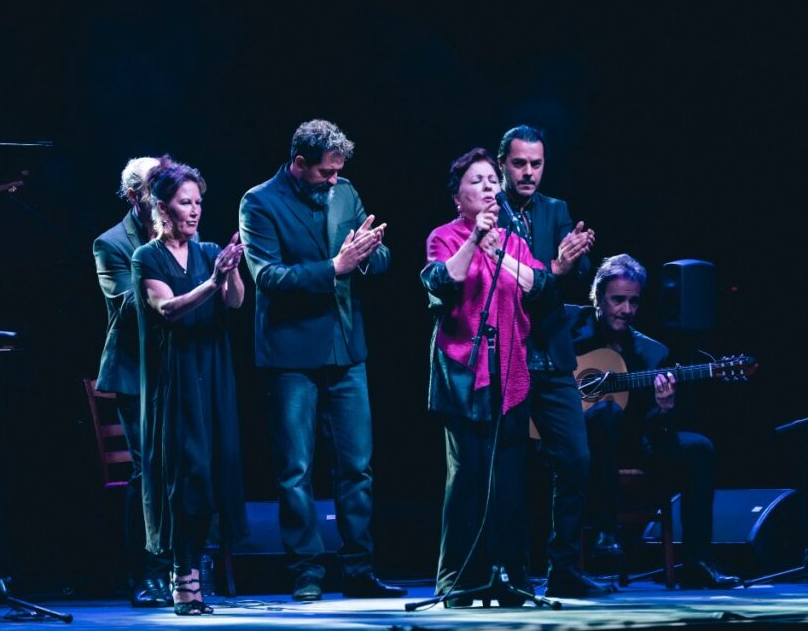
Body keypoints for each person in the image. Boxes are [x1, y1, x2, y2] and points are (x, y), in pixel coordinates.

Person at [239, 119, 405, 601]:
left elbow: (377, 258)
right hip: (291, 355)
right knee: (296, 469)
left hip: (346, 349)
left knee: (357, 467)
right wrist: (335, 266)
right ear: (299, 163)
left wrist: (371, 254)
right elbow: (268, 276)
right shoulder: (259, 202)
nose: (334, 179)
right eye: (326, 172)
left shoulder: (345, 193)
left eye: (338, 171)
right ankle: (306, 571)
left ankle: (359, 570)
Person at [421, 148, 556, 607]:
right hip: (462, 371)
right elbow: (442, 282)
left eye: (491, 181)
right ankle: (458, 581)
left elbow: (541, 288)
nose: (487, 187)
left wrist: (501, 252)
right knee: (468, 478)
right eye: (476, 181)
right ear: (457, 196)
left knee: (509, 481)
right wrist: (476, 240)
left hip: (510, 370)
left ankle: (512, 579)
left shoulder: (514, 240)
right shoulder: (443, 236)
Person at [569, 254, 741, 589]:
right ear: (598, 297)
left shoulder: (652, 353)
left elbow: (653, 426)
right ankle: (605, 530)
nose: (626, 309)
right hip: (581, 445)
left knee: (699, 449)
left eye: (634, 301)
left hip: (633, 441)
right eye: (618, 300)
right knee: (605, 414)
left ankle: (697, 561)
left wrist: (664, 409)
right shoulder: (571, 329)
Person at [495, 125, 611, 597]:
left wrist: (574, 255)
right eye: (520, 163)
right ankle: (513, 571)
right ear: (503, 164)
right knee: (510, 468)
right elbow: (516, 282)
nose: (528, 172)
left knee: (576, 458)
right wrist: (555, 267)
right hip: (510, 356)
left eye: (536, 164)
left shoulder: (555, 209)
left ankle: (562, 566)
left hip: (553, 356)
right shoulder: (489, 212)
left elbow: (575, 272)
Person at [131, 156, 249, 616]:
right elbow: (167, 309)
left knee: (215, 471)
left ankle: (195, 572)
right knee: (188, 478)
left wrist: (230, 272)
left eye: (198, 202)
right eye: (185, 202)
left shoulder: (209, 251)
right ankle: (183, 576)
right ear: (162, 207)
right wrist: (213, 280)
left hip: (213, 372)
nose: (195, 210)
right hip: (176, 379)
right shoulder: (147, 257)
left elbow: (235, 303)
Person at [92, 156, 172, 607]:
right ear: (132, 195)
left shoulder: (184, 233)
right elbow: (130, 308)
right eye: (153, 188)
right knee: (150, 471)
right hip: (135, 371)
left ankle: (190, 567)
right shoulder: (111, 243)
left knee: (190, 465)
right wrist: (161, 255)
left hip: (182, 367)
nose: (162, 197)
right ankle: (148, 572)